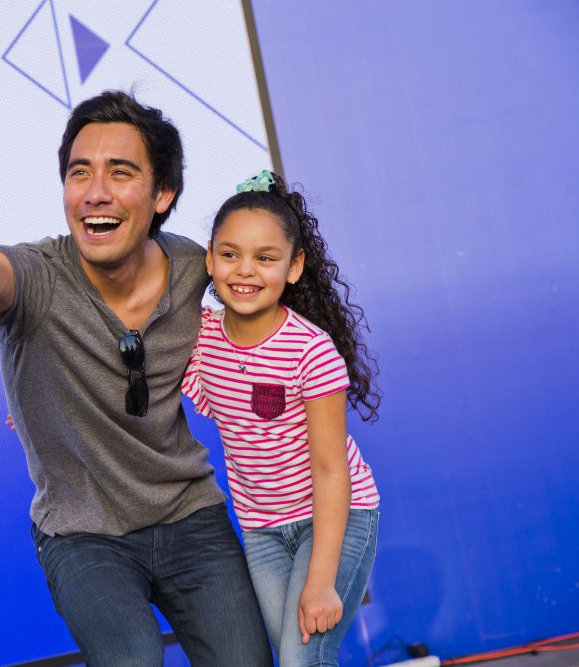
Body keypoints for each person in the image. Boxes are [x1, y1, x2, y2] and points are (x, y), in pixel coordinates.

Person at [0, 91, 273, 666]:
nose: (95, 192)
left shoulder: (197, 269)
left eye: (121, 172)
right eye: (79, 172)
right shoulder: (36, 276)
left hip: (190, 516)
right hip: (83, 534)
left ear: (163, 194)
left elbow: (278, 306)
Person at [181, 170, 381, 665]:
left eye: (265, 258)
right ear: (209, 260)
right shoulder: (200, 337)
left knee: (300, 660)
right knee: (302, 659)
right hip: (261, 529)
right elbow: (126, 353)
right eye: (229, 254)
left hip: (334, 516)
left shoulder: (311, 352)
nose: (245, 270)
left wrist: (320, 579)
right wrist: (53, 399)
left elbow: (332, 471)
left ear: (293, 268)